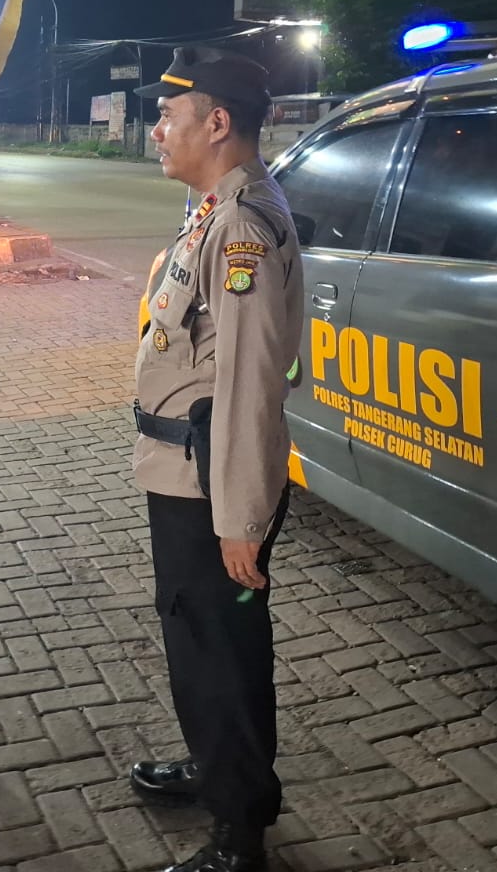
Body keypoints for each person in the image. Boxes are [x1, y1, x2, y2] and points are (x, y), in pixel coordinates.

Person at [127, 47, 305, 872]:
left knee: (223, 655)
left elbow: (248, 386)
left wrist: (240, 518)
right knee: (200, 641)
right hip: (185, 475)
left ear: (219, 123)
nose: (157, 131)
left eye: (172, 117)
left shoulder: (241, 228)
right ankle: (219, 769)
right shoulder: (213, 209)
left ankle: (239, 838)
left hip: (211, 490)